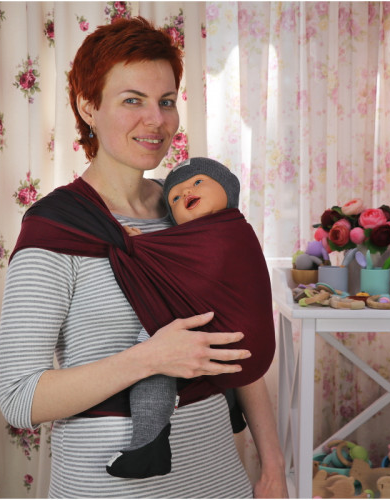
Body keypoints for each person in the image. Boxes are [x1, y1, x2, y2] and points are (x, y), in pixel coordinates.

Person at [0, 17, 288, 499]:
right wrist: (150, 358)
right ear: (88, 107)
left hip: (218, 478)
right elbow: (18, 397)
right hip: (111, 487)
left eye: (166, 101)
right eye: (132, 100)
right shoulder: (56, 228)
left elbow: (235, 335)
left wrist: (273, 465)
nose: (156, 120)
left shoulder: (190, 211)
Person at [106, 157, 277, 480]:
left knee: (153, 346)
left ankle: (150, 441)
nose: (185, 192)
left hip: (241, 343)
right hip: (238, 348)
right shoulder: (204, 235)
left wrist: (138, 246)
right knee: (182, 346)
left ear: (228, 189)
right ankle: (230, 406)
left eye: (198, 182)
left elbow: (190, 268)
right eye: (174, 197)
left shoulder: (230, 232)